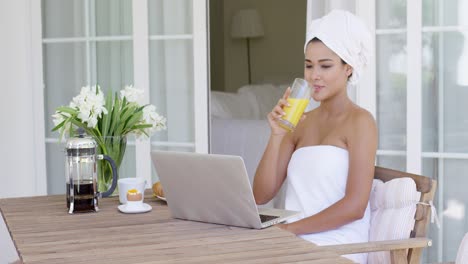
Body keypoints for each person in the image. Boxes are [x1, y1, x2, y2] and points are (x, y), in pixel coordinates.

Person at [252, 9, 377, 263]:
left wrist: (289, 230)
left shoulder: (360, 122)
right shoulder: (299, 123)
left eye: (325, 66)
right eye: (309, 65)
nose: (314, 75)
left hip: (338, 248)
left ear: (348, 68)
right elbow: (260, 195)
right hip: (293, 248)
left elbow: (355, 206)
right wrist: (276, 135)